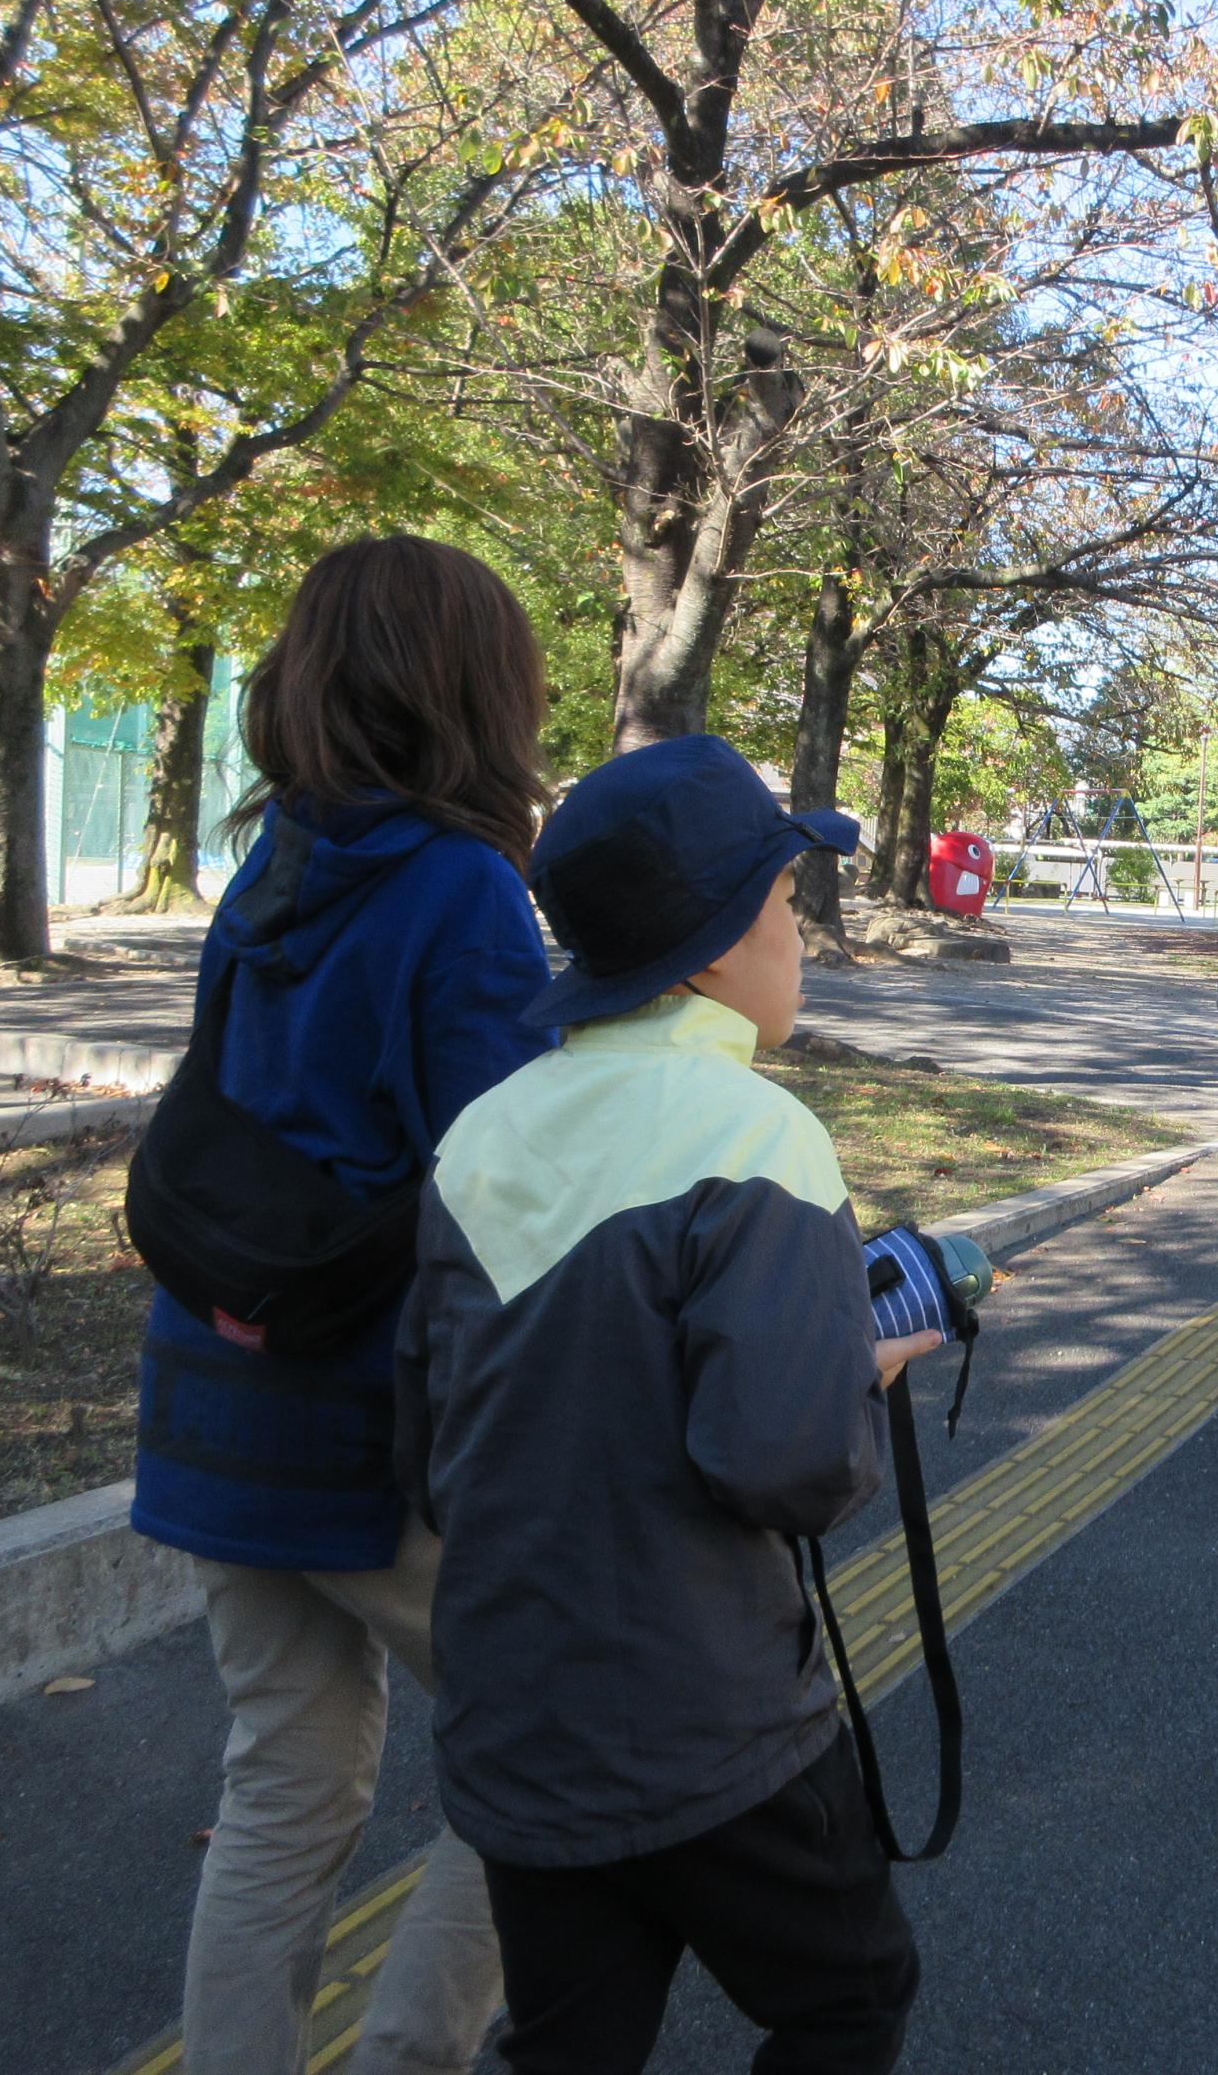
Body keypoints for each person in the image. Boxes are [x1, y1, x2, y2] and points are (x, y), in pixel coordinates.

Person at [396, 735, 940, 2075]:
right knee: (850, 1996)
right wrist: (854, 1377)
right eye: (784, 901)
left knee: (569, 2045)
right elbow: (788, 1463)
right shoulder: (756, 1137)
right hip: (709, 1726)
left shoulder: (483, 1133)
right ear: (711, 948)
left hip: (516, 1726)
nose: (798, 935)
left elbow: (432, 1446)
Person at [130, 537, 557, 2074]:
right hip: (364, 1424)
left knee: (285, 1781)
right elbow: (506, 1186)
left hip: (213, 1394)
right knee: (552, 1735)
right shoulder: (463, 888)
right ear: (473, 694)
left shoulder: (273, 864)